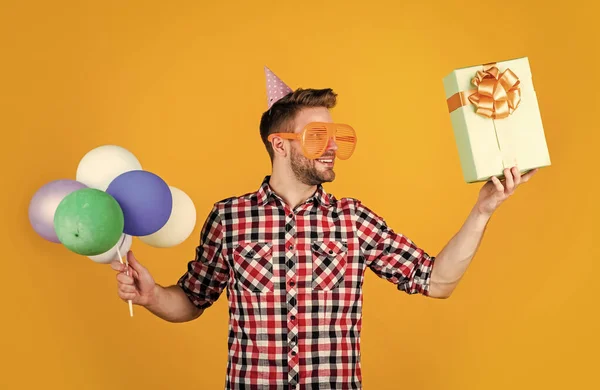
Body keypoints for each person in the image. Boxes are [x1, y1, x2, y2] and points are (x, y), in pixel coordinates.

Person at [112, 67, 538, 389]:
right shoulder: (229, 219)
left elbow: (435, 281)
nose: (332, 147)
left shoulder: (353, 220)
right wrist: (151, 296)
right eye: (318, 136)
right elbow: (190, 300)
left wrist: (483, 210)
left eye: (337, 136)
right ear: (280, 145)